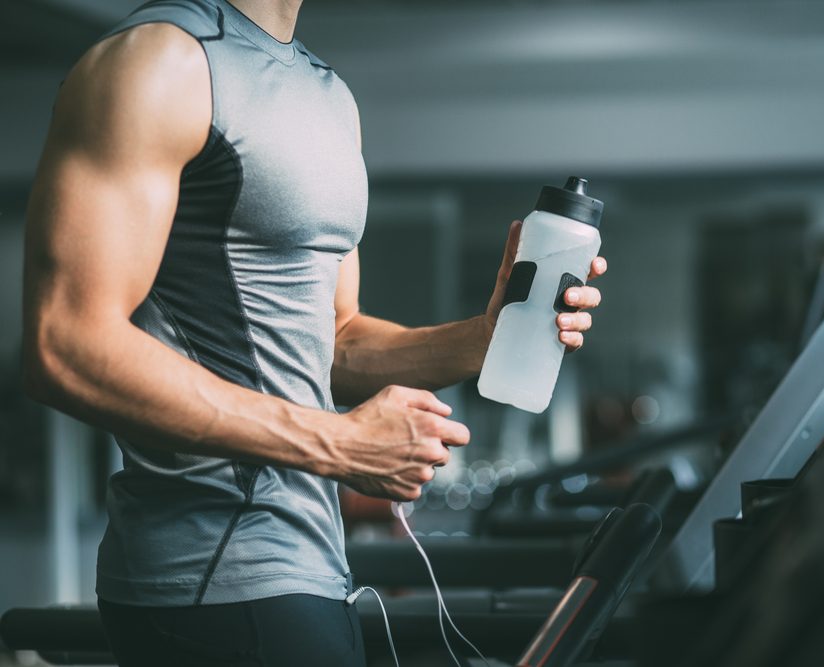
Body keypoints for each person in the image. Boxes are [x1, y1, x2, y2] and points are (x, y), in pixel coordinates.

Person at [20, 0, 607, 665]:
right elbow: (65, 343)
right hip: (213, 577)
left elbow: (336, 341)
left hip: (311, 566)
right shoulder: (160, 61)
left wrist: (484, 337)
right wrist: (341, 442)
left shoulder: (328, 95)